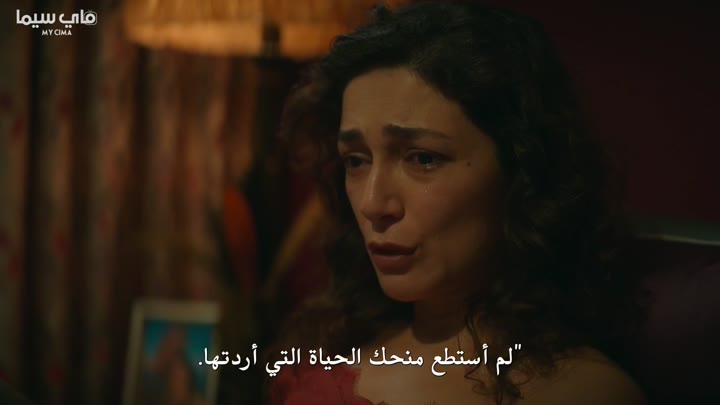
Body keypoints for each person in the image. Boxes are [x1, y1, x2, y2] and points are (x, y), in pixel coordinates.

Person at [266, 1, 648, 404]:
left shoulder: (582, 392)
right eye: (356, 161)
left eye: (422, 159)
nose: (373, 204)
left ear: (522, 171)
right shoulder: (325, 347)